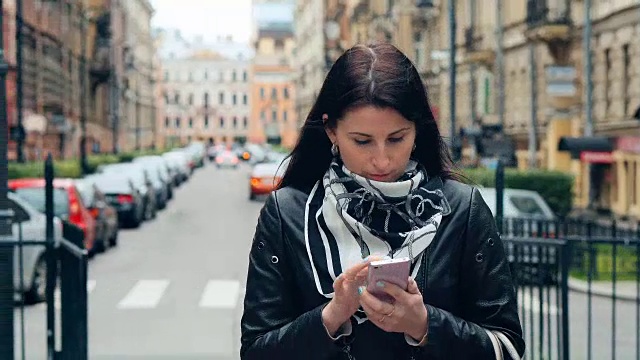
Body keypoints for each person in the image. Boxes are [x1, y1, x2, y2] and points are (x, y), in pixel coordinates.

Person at [240, 43, 525, 360]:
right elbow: (255, 351)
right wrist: (332, 315)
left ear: (417, 129)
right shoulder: (288, 213)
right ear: (331, 130)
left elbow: (509, 349)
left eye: (396, 138)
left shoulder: (461, 208)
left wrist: (425, 324)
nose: (382, 160)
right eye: (362, 141)